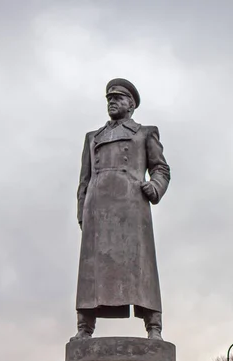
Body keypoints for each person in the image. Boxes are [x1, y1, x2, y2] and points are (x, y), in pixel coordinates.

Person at [72, 78, 170, 341]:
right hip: (98, 209)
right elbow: (84, 177)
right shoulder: (93, 137)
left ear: (131, 105)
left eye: (118, 98)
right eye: (109, 99)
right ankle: (85, 327)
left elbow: (161, 168)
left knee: (142, 267)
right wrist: (82, 210)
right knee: (91, 270)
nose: (112, 102)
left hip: (132, 206)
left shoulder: (145, 133)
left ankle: (153, 326)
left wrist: (155, 186)